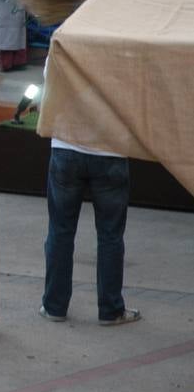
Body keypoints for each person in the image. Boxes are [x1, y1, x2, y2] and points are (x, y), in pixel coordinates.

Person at [41, 113, 141, 327]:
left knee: (60, 230)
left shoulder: (63, 75)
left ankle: (54, 306)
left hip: (66, 146)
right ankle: (111, 309)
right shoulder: (122, 75)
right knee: (110, 235)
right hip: (110, 150)